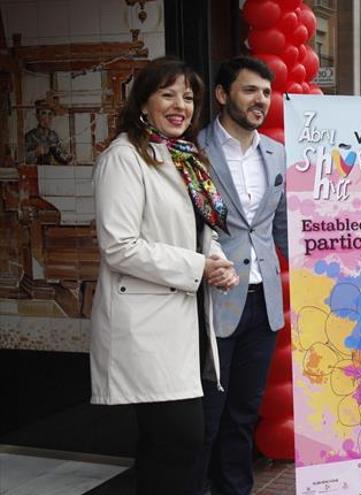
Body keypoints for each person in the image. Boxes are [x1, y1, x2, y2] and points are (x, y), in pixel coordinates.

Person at [90, 56, 238, 493]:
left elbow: (194, 232)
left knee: (169, 447)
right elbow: (118, 245)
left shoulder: (184, 158)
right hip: (148, 325)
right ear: (143, 102)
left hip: (186, 319)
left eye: (188, 97)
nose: (181, 106)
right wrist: (198, 266)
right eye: (168, 94)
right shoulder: (124, 158)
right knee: (180, 441)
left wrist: (217, 261)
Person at [194, 56, 289, 495]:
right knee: (208, 416)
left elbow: (281, 226)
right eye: (250, 90)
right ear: (222, 94)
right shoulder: (194, 152)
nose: (261, 101)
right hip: (211, 299)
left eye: (266, 93)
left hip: (263, 304)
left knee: (244, 414)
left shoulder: (276, 153)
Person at [25, 99, 73, 164]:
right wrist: (36, 153)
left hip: (49, 171)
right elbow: (23, 159)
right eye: (43, 113)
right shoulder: (30, 136)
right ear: (37, 116)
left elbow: (59, 154)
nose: (47, 118)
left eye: (50, 114)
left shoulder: (54, 135)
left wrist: (67, 157)